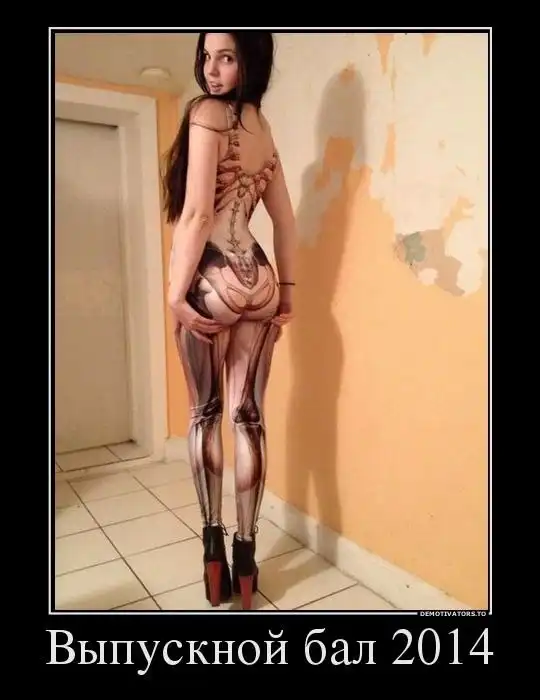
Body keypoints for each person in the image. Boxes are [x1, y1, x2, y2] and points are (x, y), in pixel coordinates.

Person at [162, 32, 297, 610]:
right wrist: (285, 292)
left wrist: (175, 292)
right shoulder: (264, 129)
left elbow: (197, 213)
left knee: (205, 413)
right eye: (207, 57)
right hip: (259, 279)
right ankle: (248, 554)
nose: (212, 70)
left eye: (227, 57)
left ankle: (213, 546)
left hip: (212, 277)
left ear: (250, 62)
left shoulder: (205, 113)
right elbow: (285, 220)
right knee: (250, 419)